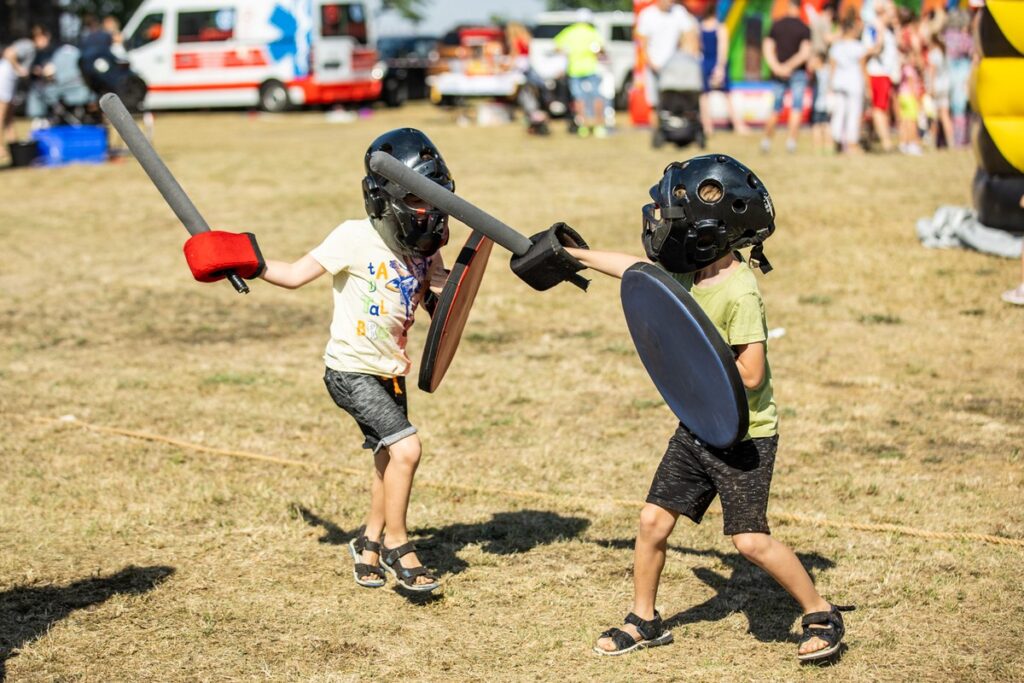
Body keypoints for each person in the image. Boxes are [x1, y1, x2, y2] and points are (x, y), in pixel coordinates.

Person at [564, 155, 851, 662]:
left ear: (706, 230)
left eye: (673, 216)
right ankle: (644, 620)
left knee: (749, 541)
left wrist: (695, 362)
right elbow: (636, 270)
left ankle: (821, 612)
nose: (660, 227)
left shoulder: (740, 290)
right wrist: (575, 254)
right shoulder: (691, 271)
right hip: (697, 428)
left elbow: (752, 374)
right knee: (653, 521)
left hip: (743, 437)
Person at [180, 128, 454, 593]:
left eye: (436, 198)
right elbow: (293, 275)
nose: (429, 212)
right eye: (417, 199)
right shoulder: (353, 237)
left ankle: (367, 543)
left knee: (389, 458)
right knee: (407, 449)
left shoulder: (425, 245)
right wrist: (243, 260)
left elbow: (443, 294)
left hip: (390, 369)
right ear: (386, 199)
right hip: (350, 370)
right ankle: (398, 544)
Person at [761, 0, 812, 154]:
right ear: (799, 9)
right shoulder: (804, 28)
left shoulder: (777, 25)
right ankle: (791, 142)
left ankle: (766, 142)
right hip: (797, 72)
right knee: (796, 107)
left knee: (775, 107)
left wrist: (777, 67)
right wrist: (789, 67)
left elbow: (767, 47)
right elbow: (805, 53)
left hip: (778, 72)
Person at [554, 9, 607, 138]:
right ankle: (599, 126)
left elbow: (557, 46)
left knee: (579, 99)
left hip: (574, 70)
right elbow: (600, 50)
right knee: (596, 97)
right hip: (591, 68)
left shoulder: (570, 31)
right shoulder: (592, 32)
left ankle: (582, 126)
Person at [637, 0, 699, 110]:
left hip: (674, 68)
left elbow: (690, 33)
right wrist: (652, 64)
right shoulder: (647, 15)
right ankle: (657, 127)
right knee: (654, 103)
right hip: (654, 66)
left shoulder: (679, 12)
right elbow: (642, 44)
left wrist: (687, 56)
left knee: (673, 102)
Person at [699, 1, 748, 136]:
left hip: (705, 63)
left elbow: (699, 48)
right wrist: (720, 68)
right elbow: (723, 50)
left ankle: (707, 126)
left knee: (704, 96)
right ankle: (737, 124)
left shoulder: (700, 27)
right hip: (717, 63)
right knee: (727, 96)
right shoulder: (721, 28)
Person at [0, 26, 48, 162]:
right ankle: (0, 147)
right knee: (1, 114)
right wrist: (19, 68)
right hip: (5, 77)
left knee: (9, 116)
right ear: (38, 37)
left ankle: (13, 145)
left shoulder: (31, 49)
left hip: (10, 78)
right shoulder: (28, 45)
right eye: (46, 38)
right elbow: (9, 53)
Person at [862, 0, 899, 153]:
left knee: (883, 108)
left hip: (886, 74)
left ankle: (872, 140)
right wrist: (880, 40)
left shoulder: (888, 29)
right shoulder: (873, 28)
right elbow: (868, 51)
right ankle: (886, 143)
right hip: (876, 73)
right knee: (879, 108)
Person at [828, 10, 867, 154]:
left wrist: (830, 85)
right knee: (853, 114)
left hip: (839, 83)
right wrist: (867, 87)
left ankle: (837, 141)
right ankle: (852, 144)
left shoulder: (836, 47)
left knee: (839, 113)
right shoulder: (859, 47)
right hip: (854, 83)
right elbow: (863, 68)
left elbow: (832, 68)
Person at [808, 1, 838, 153]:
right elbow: (828, 39)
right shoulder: (825, 21)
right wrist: (843, 35)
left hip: (815, 63)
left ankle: (817, 144)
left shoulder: (814, 21)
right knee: (822, 107)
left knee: (817, 104)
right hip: (822, 64)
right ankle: (823, 143)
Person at [894, 6, 924, 155]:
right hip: (911, 78)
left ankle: (903, 142)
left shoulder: (899, 35)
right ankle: (913, 143)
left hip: (902, 80)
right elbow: (918, 55)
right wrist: (921, 65)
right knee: (912, 114)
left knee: (905, 115)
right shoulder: (912, 36)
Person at [943, 9, 973, 147]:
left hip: (947, 76)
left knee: (952, 110)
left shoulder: (946, 36)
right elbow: (974, 51)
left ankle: (952, 140)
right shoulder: (964, 38)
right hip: (963, 77)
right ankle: (961, 140)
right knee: (961, 111)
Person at [924, 28, 953, 149]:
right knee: (945, 115)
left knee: (934, 116)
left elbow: (932, 71)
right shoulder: (943, 52)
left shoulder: (933, 54)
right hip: (946, 86)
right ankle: (951, 142)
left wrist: (930, 87)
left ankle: (933, 142)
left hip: (936, 86)